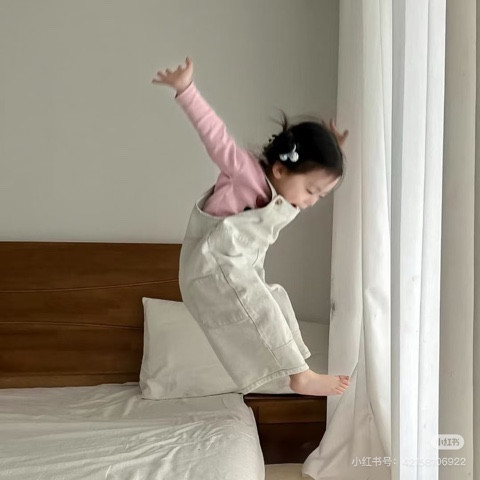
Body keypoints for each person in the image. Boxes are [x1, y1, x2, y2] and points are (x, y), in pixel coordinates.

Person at [152, 57, 350, 396]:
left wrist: (330, 148)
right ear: (281, 170)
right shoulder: (244, 174)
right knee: (260, 307)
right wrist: (186, 89)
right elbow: (215, 136)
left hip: (240, 267)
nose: (312, 201)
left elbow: (310, 162)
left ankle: (294, 365)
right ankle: (300, 376)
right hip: (210, 267)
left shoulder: (282, 191)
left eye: (320, 195)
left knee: (276, 300)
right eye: (311, 190)